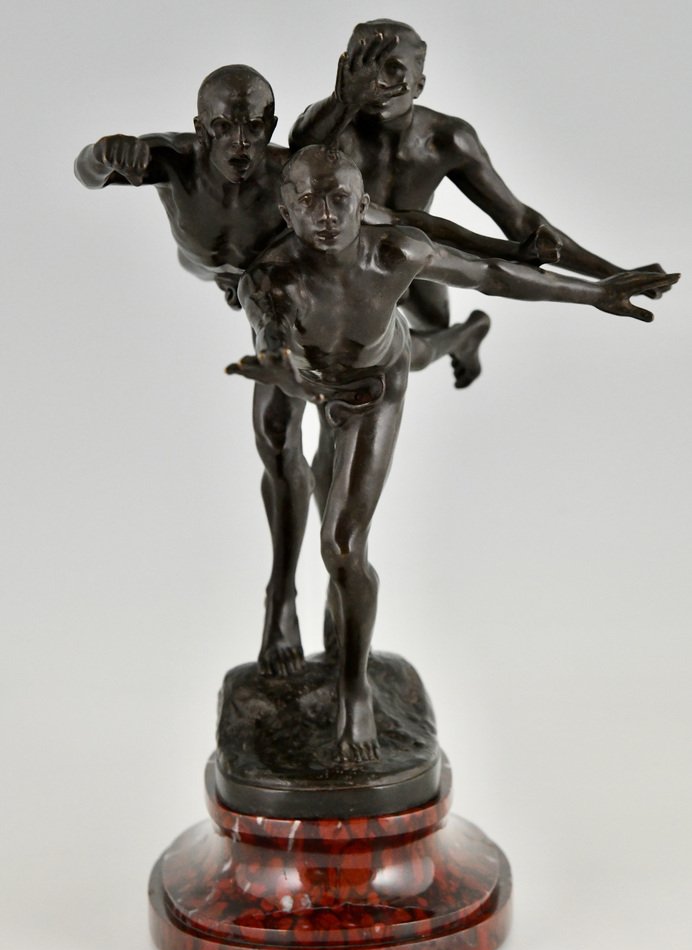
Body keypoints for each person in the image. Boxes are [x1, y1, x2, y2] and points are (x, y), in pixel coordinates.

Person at [75, 64, 556, 676]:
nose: (240, 142)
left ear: (273, 126)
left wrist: (513, 249)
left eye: (254, 127)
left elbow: (412, 225)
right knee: (284, 441)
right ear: (200, 128)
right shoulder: (171, 160)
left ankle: (454, 339)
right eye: (223, 128)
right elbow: (89, 175)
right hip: (258, 300)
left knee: (359, 389)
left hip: (304, 298)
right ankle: (281, 596)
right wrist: (100, 155)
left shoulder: (294, 177)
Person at [228, 145, 677, 762]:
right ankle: (464, 335)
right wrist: (288, 375)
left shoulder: (396, 252)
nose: (326, 215)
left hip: (377, 383)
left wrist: (595, 292)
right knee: (323, 442)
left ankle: (354, 688)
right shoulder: (268, 281)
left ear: (364, 203)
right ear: (286, 211)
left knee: (343, 547)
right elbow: (273, 345)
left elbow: (491, 275)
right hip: (321, 382)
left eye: (339, 199)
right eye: (308, 201)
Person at [289, 19, 669, 388]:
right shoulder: (331, 132)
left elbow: (519, 220)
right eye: (364, 66)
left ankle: (464, 335)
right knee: (385, 353)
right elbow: (300, 145)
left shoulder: (446, 140)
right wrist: (342, 101)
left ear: (419, 84)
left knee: (434, 328)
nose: (376, 82)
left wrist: (611, 273)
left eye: (392, 68)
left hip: (415, 249)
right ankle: (456, 339)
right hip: (347, 259)